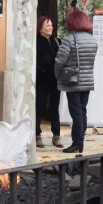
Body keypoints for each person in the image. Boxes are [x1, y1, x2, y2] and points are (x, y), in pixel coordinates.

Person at [54, 10, 99, 153]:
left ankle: (77, 143)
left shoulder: (69, 39)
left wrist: (57, 74)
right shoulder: (92, 39)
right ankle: (80, 141)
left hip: (73, 81)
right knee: (82, 111)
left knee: (76, 113)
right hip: (87, 81)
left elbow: (60, 60)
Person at [35, 16, 63, 149]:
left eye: (51, 25)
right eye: (47, 25)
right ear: (40, 28)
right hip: (41, 81)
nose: (51, 28)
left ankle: (56, 135)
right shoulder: (36, 42)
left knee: (54, 108)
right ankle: (37, 135)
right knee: (39, 108)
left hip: (55, 81)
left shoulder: (56, 41)